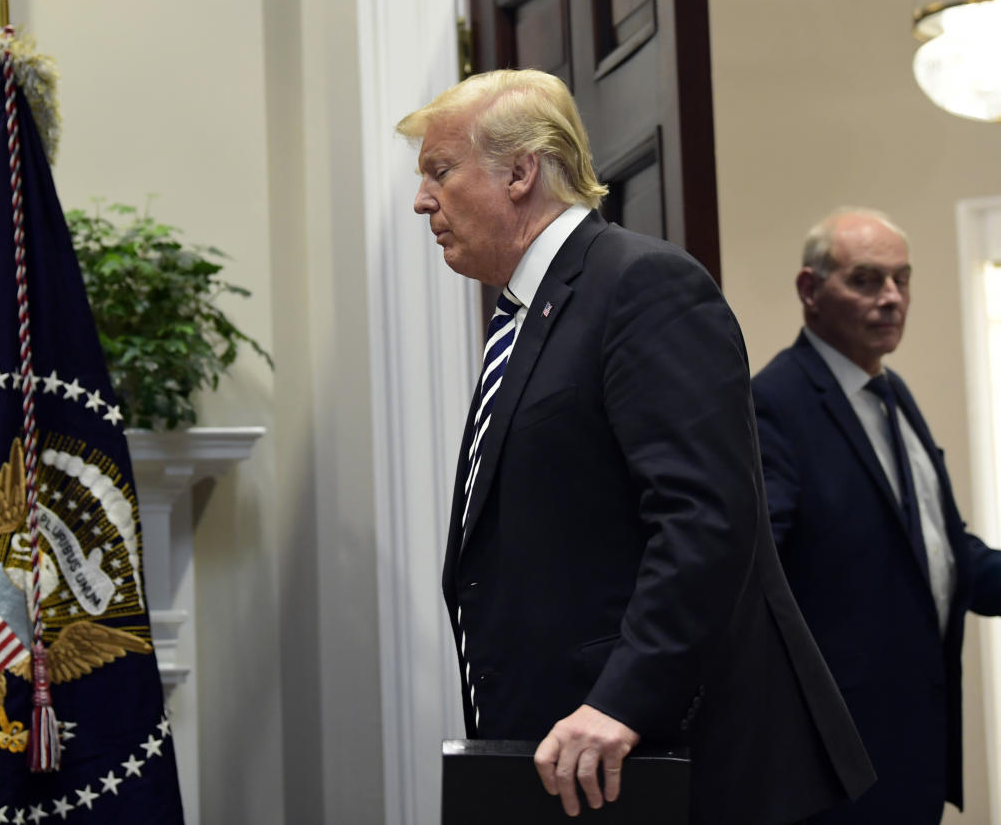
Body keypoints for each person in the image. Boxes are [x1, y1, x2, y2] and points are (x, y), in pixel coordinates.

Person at [396, 69, 874, 825]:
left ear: (520, 171)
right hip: (574, 757)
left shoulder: (643, 284)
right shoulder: (529, 314)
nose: (423, 199)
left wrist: (622, 699)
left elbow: (707, 517)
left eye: (439, 171)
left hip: (660, 756)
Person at [751, 208, 1001, 823]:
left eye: (901, 279)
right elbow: (758, 583)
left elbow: (942, 552)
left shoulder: (893, 393)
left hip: (916, 747)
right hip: (835, 765)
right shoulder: (774, 405)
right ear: (810, 290)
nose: (891, 298)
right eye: (866, 280)